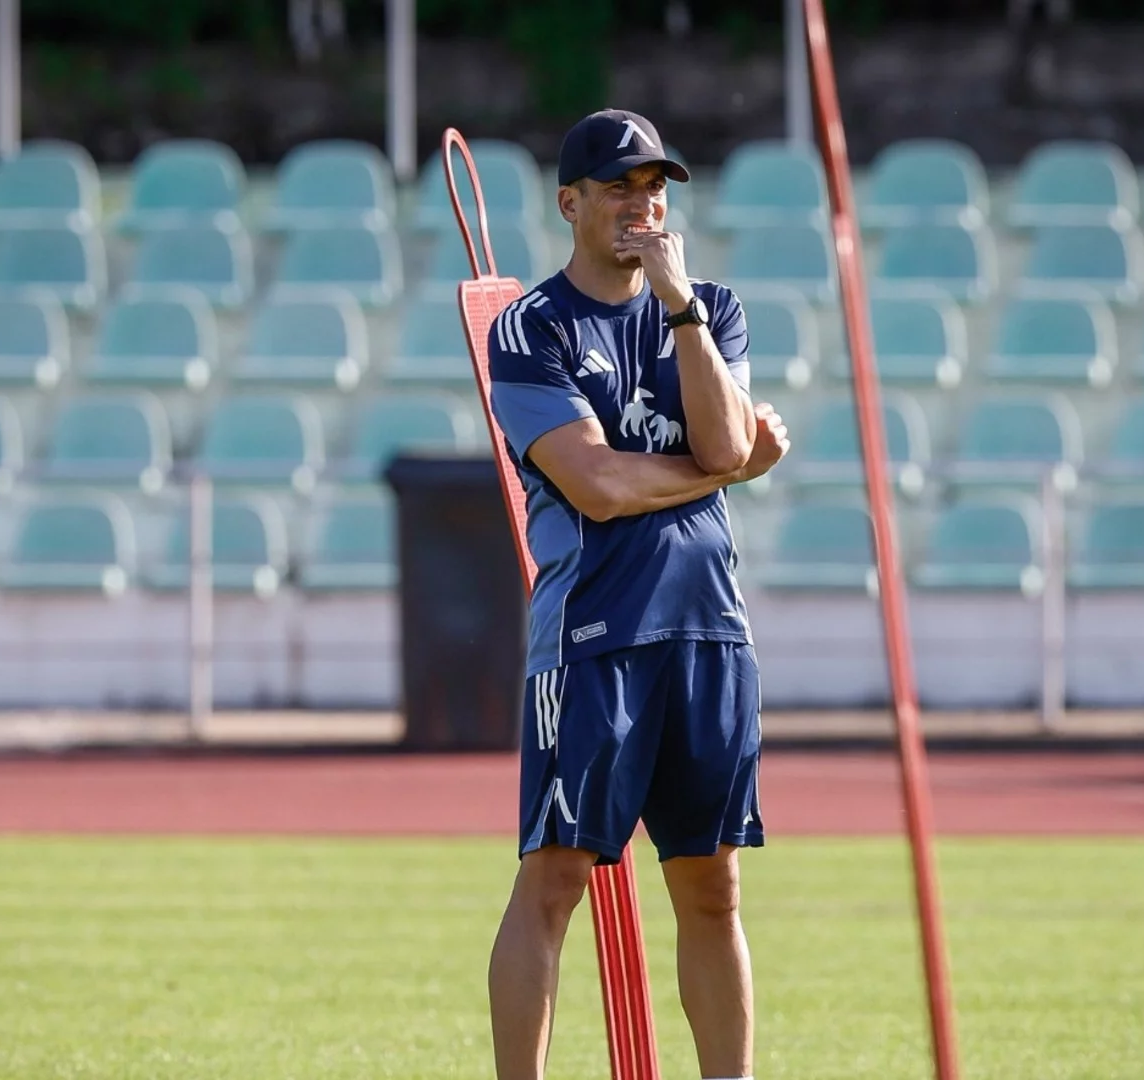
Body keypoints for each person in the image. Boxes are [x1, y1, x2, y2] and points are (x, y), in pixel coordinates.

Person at [483, 107, 790, 1080]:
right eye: (618, 186)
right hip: (593, 636)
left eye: (654, 186)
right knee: (555, 881)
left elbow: (721, 439)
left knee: (714, 889)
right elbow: (603, 486)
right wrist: (725, 471)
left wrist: (680, 305)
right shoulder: (532, 328)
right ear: (569, 201)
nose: (641, 204)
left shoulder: (712, 307)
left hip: (709, 629)